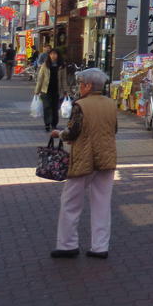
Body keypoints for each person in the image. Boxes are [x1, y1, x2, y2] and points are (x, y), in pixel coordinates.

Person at [50, 68, 117, 259]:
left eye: (80, 84)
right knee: (102, 203)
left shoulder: (81, 105)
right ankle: (100, 246)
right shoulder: (111, 104)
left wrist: (59, 134)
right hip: (107, 157)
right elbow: (114, 129)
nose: (79, 87)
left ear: (88, 85)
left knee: (70, 202)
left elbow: (72, 133)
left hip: (84, 158)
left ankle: (67, 244)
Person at [34, 48, 70, 132]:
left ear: (58, 55)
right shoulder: (45, 65)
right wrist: (37, 91)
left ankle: (54, 124)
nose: (53, 56)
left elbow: (64, 79)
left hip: (57, 90)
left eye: (55, 54)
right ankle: (47, 123)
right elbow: (40, 79)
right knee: (47, 107)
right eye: (51, 54)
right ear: (49, 55)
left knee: (54, 108)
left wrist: (66, 91)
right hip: (45, 90)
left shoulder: (62, 66)